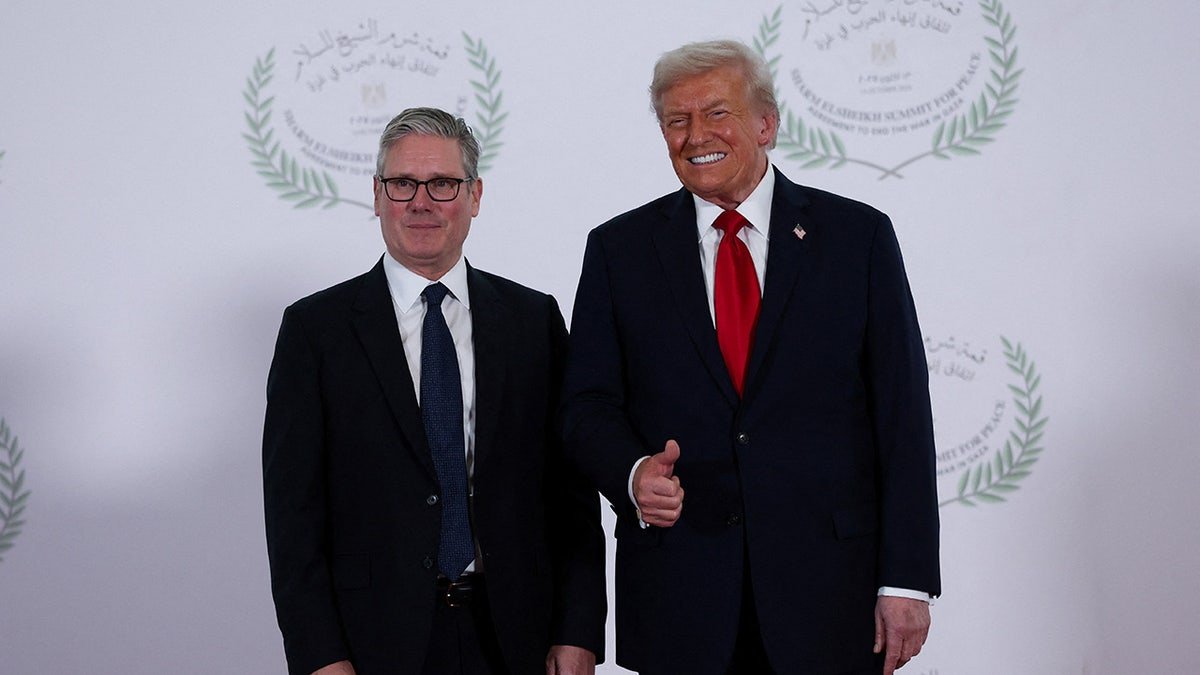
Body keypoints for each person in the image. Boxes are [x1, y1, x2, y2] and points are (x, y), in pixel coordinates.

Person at [561, 41, 940, 674]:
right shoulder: (618, 250)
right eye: (676, 120)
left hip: (829, 595)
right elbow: (586, 406)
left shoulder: (857, 238)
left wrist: (905, 580)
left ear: (765, 124)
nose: (695, 135)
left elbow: (901, 414)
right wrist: (631, 475)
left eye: (717, 113)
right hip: (680, 594)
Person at [264, 107, 605, 675]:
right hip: (372, 647)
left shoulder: (532, 321)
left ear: (474, 195)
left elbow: (571, 499)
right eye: (402, 184)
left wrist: (578, 631)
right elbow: (293, 519)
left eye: (443, 184)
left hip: (517, 641)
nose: (420, 202)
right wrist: (321, 657)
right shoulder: (315, 331)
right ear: (377, 195)